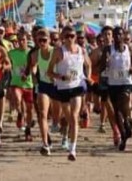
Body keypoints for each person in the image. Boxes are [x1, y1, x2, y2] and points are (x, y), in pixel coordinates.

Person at [47, 25, 91, 161]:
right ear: (62, 38)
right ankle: (66, 135)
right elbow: (49, 72)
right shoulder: (58, 52)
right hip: (63, 88)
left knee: (74, 116)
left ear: (76, 37)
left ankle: (72, 149)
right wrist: (60, 77)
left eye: (72, 36)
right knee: (68, 118)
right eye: (67, 36)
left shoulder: (81, 51)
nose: (70, 39)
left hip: (77, 86)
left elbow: (88, 64)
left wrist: (87, 77)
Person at [100, 26, 132, 151]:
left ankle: (127, 122)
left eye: (119, 34)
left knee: (124, 103)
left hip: (126, 82)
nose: (117, 37)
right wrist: (105, 63)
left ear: (123, 36)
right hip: (113, 83)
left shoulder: (128, 49)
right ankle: (123, 136)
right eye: (115, 35)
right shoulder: (108, 50)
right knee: (116, 112)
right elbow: (101, 67)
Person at [30, 29, 56, 156]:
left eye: (44, 40)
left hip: (57, 85)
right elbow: (33, 67)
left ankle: (62, 131)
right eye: (39, 40)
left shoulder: (56, 52)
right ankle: (45, 144)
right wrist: (35, 77)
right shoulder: (35, 54)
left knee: (58, 115)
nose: (41, 43)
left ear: (49, 40)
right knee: (42, 114)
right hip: (44, 85)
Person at [9, 32, 35, 141]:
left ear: (27, 39)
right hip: (16, 83)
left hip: (29, 84)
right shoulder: (12, 53)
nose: (21, 42)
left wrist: (30, 73)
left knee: (30, 109)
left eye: (23, 39)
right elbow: (7, 63)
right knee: (17, 98)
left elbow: (34, 67)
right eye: (19, 40)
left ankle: (28, 130)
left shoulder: (31, 53)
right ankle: (20, 113)